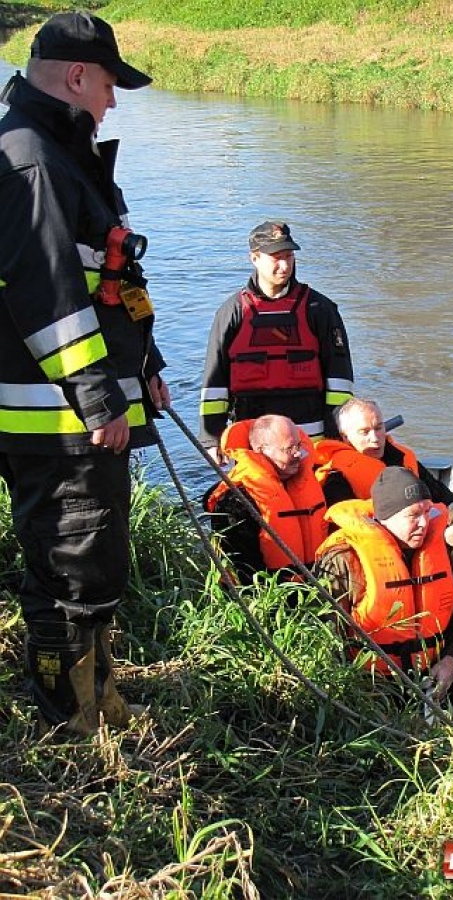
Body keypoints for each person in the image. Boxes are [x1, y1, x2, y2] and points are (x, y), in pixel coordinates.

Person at [0, 12, 170, 735]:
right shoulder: (33, 157)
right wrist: (102, 396)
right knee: (68, 572)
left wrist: (149, 366)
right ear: (76, 76)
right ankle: (71, 721)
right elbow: (45, 293)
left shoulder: (63, 154)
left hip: (80, 414)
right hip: (58, 419)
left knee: (93, 565)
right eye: (109, 83)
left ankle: (97, 694)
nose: (113, 100)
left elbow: (110, 277)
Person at [314, 467, 453, 725]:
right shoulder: (344, 560)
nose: (424, 523)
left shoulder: (437, 551)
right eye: (413, 515)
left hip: (437, 674)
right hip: (374, 685)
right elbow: (326, 641)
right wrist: (357, 691)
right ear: (385, 516)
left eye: (427, 512)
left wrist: (451, 660)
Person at [199, 221, 354, 460]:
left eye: (289, 256)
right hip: (252, 435)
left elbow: (339, 378)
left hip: (310, 435)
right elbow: (215, 383)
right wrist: (212, 438)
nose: (284, 266)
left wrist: (337, 431)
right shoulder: (232, 312)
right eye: (276, 257)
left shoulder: (319, 309)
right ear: (254, 258)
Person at [315, 397, 453, 582]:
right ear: (345, 436)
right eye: (364, 432)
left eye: (379, 428)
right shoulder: (336, 478)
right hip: (379, 555)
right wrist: (443, 536)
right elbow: (357, 533)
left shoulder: (403, 458)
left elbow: (444, 496)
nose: (375, 438)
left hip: (422, 531)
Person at [203, 415, 327, 585]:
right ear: (262, 451)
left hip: (319, 584)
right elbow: (242, 569)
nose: (298, 453)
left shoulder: (313, 478)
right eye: (289, 449)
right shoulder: (237, 500)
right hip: (273, 592)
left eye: (299, 445)